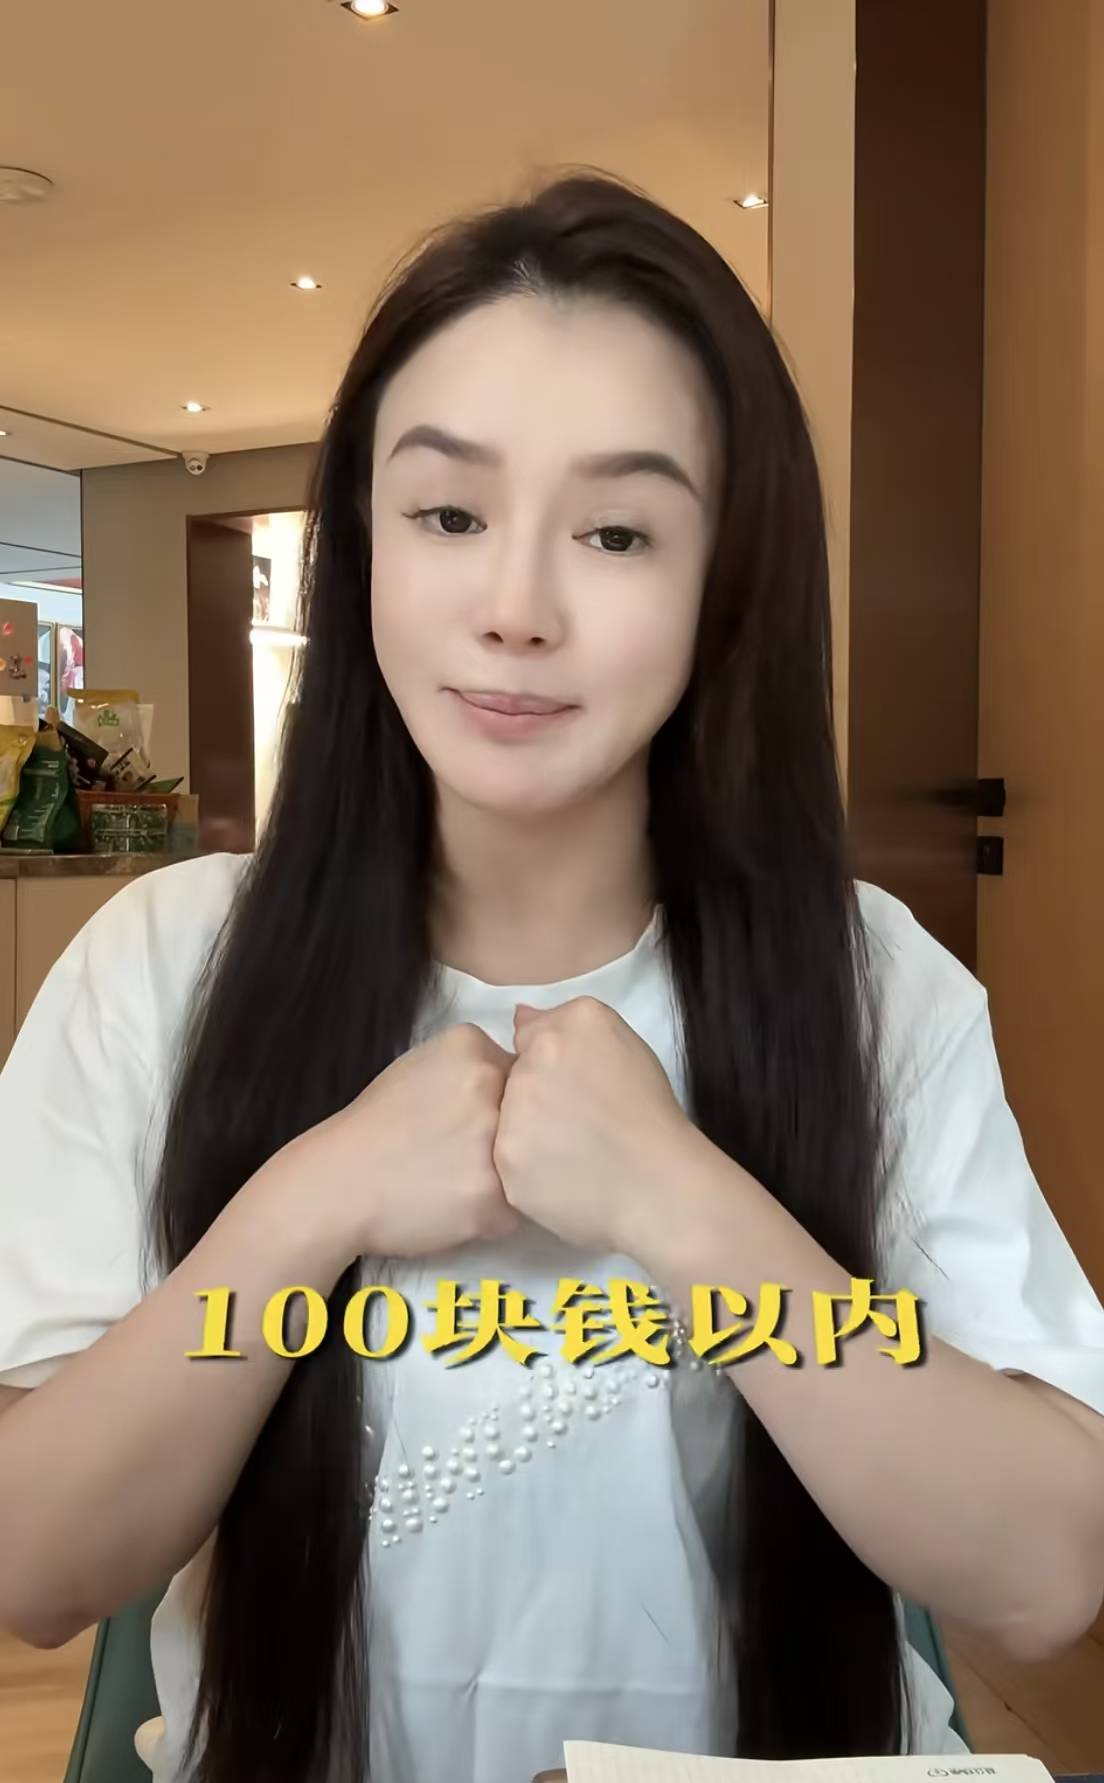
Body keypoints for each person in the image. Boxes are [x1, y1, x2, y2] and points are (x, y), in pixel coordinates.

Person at [0, 173, 1102, 1783]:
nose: (516, 610)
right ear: (361, 549)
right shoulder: (163, 968)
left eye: (618, 532)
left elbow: (1047, 1575)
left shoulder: (869, 984)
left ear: (727, 580)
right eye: (447, 516)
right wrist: (313, 1202)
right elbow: (34, 1571)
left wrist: (684, 1203)